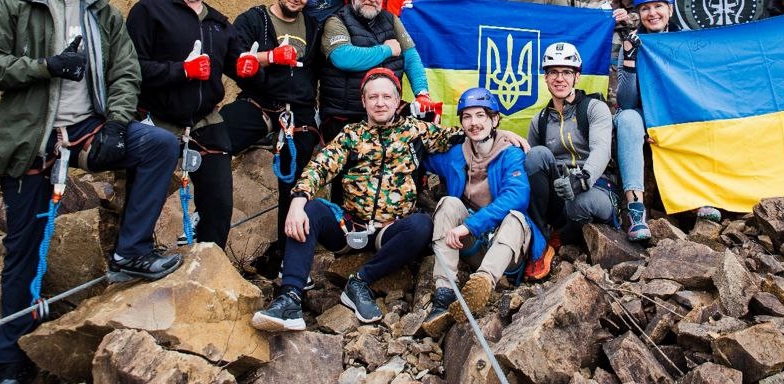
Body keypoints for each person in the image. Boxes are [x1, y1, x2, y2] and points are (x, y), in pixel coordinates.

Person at [0, 0, 182, 384]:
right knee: (22, 250)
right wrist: (43, 65)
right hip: (31, 139)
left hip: (88, 128)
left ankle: (131, 252)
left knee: (158, 146)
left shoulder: (102, 10)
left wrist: (117, 122)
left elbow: (126, 70)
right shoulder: (16, 5)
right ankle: (11, 359)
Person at [250, 68, 462, 331]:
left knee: (421, 225)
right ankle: (289, 298)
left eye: (387, 96)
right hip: (349, 227)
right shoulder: (351, 135)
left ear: (398, 101)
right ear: (364, 101)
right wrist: (297, 200)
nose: (380, 102)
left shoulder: (416, 131)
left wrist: (502, 136)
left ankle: (360, 281)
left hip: (390, 230)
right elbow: (320, 166)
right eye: (373, 97)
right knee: (311, 210)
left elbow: (461, 134)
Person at [126, 0, 242, 248]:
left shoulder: (219, 24)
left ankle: (209, 261)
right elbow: (131, 68)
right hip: (158, 119)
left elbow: (238, 63)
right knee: (144, 199)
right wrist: (182, 70)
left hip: (206, 121)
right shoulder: (150, 10)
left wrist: (259, 63)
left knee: (219, 205)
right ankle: (134, 256)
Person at [219, 0, 324, 261]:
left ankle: (286, 255)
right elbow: (235, 59)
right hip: (260, 100)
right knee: (216, 140)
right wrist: (269, 57)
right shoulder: (254, 20)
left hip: (299, 111)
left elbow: (319, 71)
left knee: (293, 184)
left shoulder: (313, 26)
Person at [419, 88, 543, 335]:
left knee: (516, 217)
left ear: (494, 119)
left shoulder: (511, 153)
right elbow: (421, 156)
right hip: (473, 245)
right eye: (467, 117)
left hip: (506, 251)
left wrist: (470, 225)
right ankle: (444, 292)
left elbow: (517, 196)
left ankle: (484, 282)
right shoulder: (457, 154)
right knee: (447, 204)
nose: (474, 123)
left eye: (481, 115)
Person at [612, 0, 723, 228]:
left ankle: (700, 196)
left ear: (670, 9)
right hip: (641, 112)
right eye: (645, 8)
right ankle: (635, 208)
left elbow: (697, 90)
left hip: (676, 114)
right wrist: (630, 61)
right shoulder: (632, 42)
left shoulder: (685, 41)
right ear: (638, 13)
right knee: (628, 119)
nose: (652, 14)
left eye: (658, 6)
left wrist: (663, 122)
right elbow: (626, 101)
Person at [522, 43, 618, 280]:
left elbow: (601, 150)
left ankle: (562, 238)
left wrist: (581, 180)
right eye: (553, 72)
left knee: (580, 202)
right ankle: (541, 239)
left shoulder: (595, 108)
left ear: (577, 76)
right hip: (558, 195)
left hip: (595, 188)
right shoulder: (540, 120)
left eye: (566, 72)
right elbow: (533, 166)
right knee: (535, 155)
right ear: (545, 77)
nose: (559, 78)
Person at [319, 0, 433, 142]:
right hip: (346, 116)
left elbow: (411, 57)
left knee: (427, 120)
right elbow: (343, 57)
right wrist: (387, 50)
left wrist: (422, 94)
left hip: (386, 113)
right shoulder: (336, 21)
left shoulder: (390, 19)